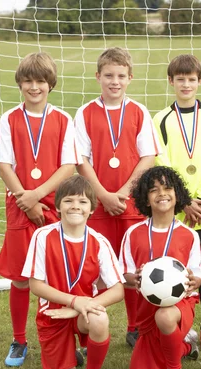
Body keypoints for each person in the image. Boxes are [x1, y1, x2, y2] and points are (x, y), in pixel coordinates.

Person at [0, 52, 81, 367]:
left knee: (57, 274)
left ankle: (67, 337)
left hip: (53, 205)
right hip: (18, 205)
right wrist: (23, 198)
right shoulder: (9, 119)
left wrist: (38, 195)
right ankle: (19, 340)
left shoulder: (63, 120)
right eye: (28, 81)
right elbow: (3, 163)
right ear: (20, 83)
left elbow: (68, 166)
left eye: (40, 81)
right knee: (20, 278)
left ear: (50, 84)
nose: (34, 86)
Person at [74, 47, 161, 348]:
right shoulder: (85, 112)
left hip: (130, 205)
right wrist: (103, 195)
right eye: (108, 75)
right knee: (93, 269)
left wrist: (122, 193)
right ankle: (87, 329)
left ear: (130, 78)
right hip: (98, 206)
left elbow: (148, 156)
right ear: (98, 77)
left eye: (121, 76)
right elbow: (81, 159)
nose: (115, 81)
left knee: (134, 269)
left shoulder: (138, 111)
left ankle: (136, 327)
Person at [22, 175, 124, 369]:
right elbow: (35, 285)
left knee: (99, 318)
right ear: (58, 206)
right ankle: (68, 353)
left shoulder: (100, 242)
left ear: (92, 208)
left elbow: (118, 290)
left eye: (82, 202)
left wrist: (78, 307)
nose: (75, 206)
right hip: (53, 314)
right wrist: (74, 301)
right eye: (68, 201)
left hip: (84, 312)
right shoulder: (42, 236)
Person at [154, 54, 201, 352]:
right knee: (173, 267)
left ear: (199, 81)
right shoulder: (160, 119)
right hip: (173, 208)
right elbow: (162, 162)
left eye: (191, 79)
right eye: (180, 79)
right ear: (171, 81)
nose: (186, 84)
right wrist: (182, 202)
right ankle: (180, 325)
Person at [120, 166, 201, 369]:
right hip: (147, 306)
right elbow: (124, 272)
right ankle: (186, 346)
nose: (161, 194)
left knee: (165, 316)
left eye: (167, 188)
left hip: (180, 304)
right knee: (147, 366)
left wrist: (193, 281)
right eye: (154, 190)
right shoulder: (133, 233)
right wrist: (132, 278)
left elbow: (197, 274)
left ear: (177, 194)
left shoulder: (189, 235)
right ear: (145, 199)